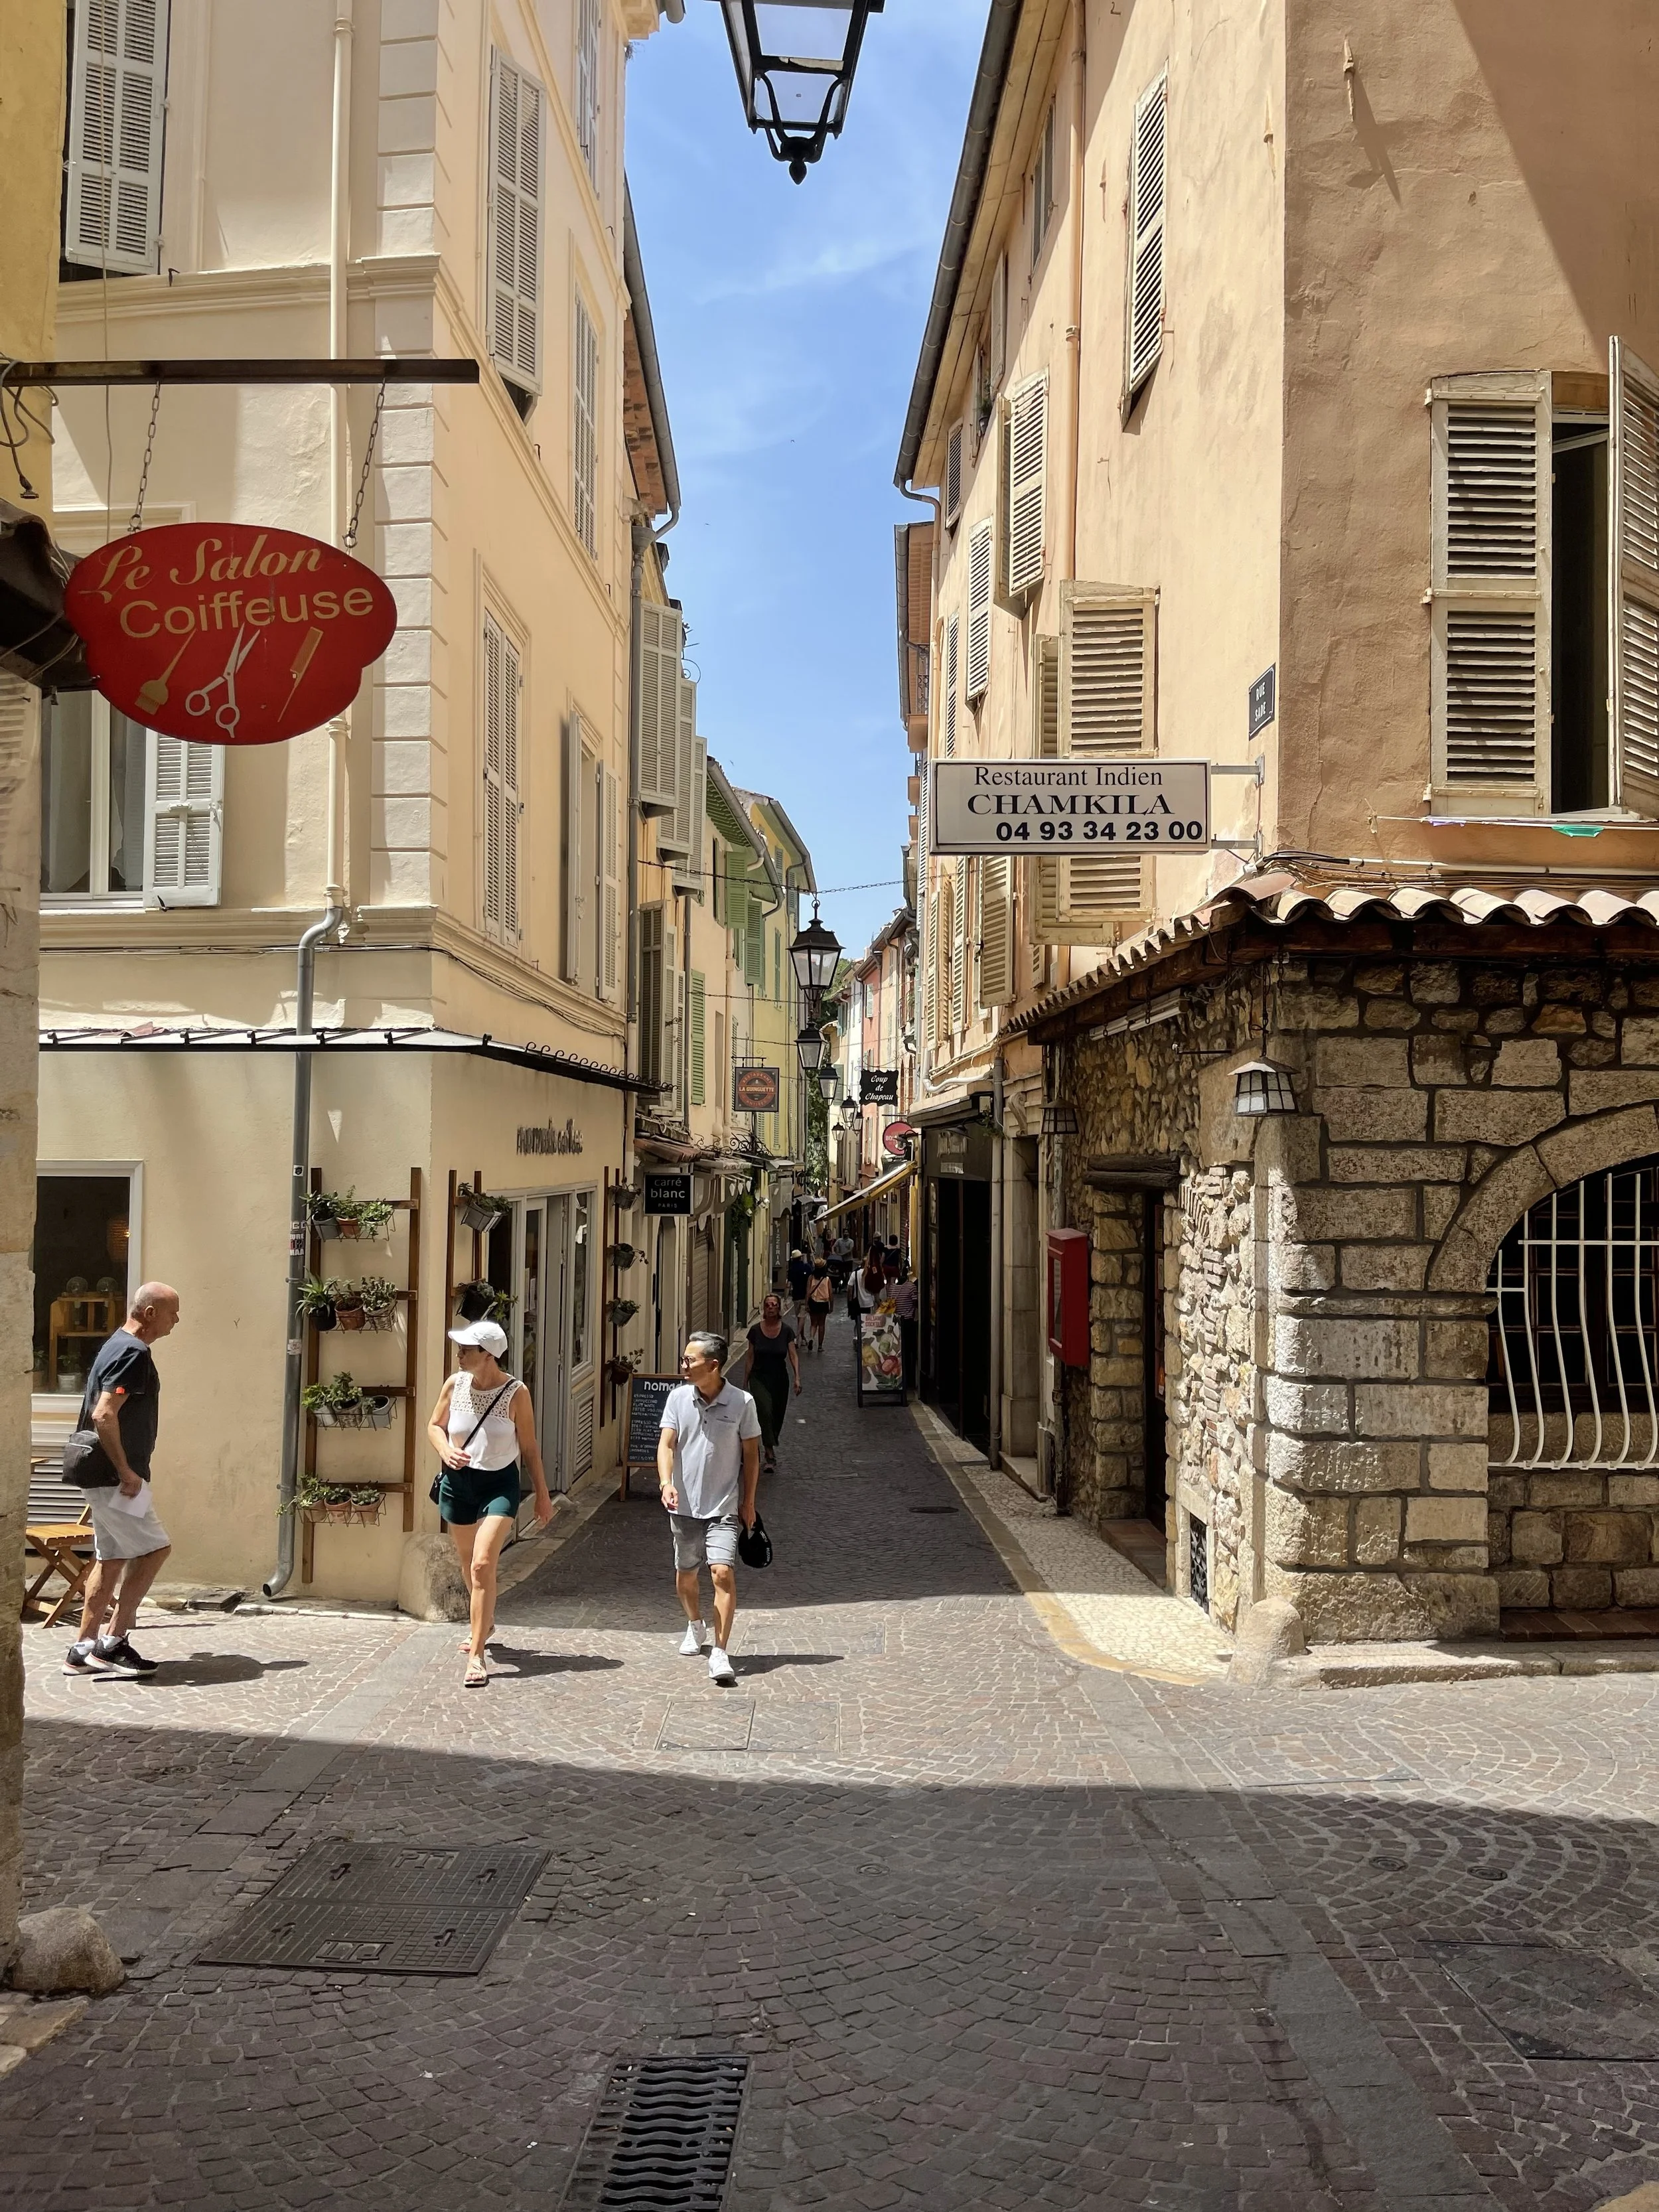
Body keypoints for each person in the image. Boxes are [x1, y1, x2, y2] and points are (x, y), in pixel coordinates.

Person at [426, 1319, 554, 1687]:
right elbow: (434, 1425)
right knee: (468, 1564)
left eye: (467, 1348)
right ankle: (486, 1622)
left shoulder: (517, 1393)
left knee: (483, 1564)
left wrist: (542, 1495)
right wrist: (446, 1449)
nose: (460, 1353)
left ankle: (478, 1655)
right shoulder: (455, 1384)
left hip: (499, 1484)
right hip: (458, 1483)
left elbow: (529, 1447)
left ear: (488, 1354)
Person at [64, 1283, 181, 1678]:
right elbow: (104, 1414)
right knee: (154, 1550)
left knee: (111, 1559)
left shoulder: (116, 1344)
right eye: (172, 1313)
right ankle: (114, 1643)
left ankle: (82, 1649)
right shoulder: (132, 1352)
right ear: (150, 1313)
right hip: (116, 1478)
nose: (176, 1320)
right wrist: (127, 1471)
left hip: (102, 1474)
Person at [657, 1332, 761, 1684]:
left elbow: (751, 1455)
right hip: (683, 1504)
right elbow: (666, 1445)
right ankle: (693, 1623)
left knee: (721, 1573)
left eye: (690, 1360)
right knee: (686, 1571)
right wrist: (665, 1482)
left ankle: (720, 1652)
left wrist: (748, 1502)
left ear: (713, 1366)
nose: (683, 1366)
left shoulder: (742, 1402)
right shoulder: (677, 1399)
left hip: (724, 1505)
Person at [745, 1293, 801, 1469]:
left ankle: (770, 1441)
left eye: (774, 1305)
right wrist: (745, 1381)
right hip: (759, 1377)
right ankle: (769, 1452)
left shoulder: (786, 1331)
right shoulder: (755, 1331)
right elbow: (750, 1356)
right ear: (764, 1308)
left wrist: (797, 1378)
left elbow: (793, 1355)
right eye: (768, 1305)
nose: (770, 1308)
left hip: (779, 1379)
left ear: (779, 1309)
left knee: (777, 1415)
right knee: (765, 1411)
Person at [893, 1266, 918, 1390]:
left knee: (899, 1353)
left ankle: (900, 1379)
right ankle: (911, 1380)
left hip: (896, 1324)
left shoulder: (892, 1288)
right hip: (909, 1323)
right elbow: (915, 1303)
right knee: (910, 1352)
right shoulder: (911, 1287)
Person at [806, 1256, 833, 1352]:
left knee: (813, 1324)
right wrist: (832, 1306)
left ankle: (811, 1338)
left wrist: (806, 1304)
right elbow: (831, 1294)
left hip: (813, 1302)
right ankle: (820, 1346)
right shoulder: (827, 1279)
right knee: (822, 1325)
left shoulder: (811, 1277)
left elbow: (808, 1292)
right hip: (824, 1303)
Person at [786, 1246, 811, 1335]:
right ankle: (798, 1336)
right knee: (802, 1316)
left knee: (799, 1317)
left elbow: (788, 1285)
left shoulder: (792, 1269)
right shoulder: (807, 1267)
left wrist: (785, 1298)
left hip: (796, 1296)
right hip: (805, 1296)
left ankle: (802, 1337)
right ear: (801, 1257)